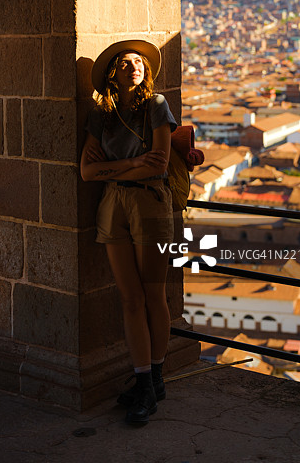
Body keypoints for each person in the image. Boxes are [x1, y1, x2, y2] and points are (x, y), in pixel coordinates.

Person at [80, 39, 176, 425]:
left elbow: (159, 165)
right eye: (124, 63)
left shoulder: (156, 106)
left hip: (150, 202)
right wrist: (133, 162)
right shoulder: (100, 116)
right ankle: (144, 381)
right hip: (112, 206)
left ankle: (153, 379)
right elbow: (86, 172)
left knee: (154, 295)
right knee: (130, 299)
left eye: (138, 62)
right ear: (111, 75)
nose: (133, 66)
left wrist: (117, 167)